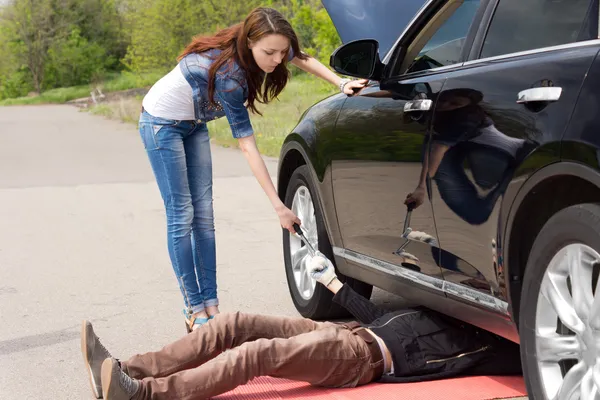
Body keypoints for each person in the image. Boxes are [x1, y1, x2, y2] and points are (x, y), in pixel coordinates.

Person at [137, 6, 367, 332]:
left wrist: (341, 83)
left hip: (194, 124)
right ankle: (194, 309)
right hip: (161, 124)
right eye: (270, 53)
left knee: (204, 215)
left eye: (281, 52)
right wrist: (279, 207)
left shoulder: (264, 45)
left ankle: (212, 310)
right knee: (182, 215)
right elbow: (248, 146)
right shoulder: (230, 77)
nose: (277, 60)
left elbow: (301, 58)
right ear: (250, 43)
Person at [81, 253, 521, 400]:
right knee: (234, 323)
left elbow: (530, 359)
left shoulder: (496, 340)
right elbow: (382, 317)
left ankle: (144, 395)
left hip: (361, 359)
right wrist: (332, 283)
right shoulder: (453, 303)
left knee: (256, 356)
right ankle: (132, 370)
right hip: (349, 334)